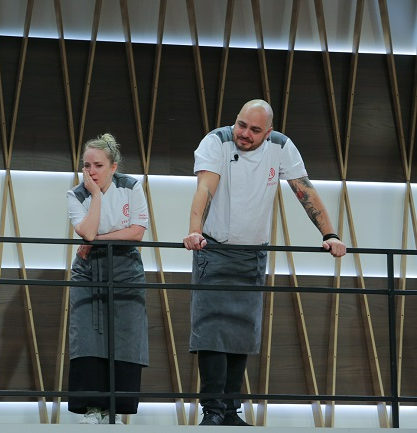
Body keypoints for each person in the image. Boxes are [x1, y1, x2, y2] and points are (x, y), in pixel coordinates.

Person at [182, 99, 347, 426]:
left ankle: (231, 410)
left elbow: (305, 190)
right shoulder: (217, 141)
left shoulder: (281, 146)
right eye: (241, 125)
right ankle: (211, 412)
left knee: (242, 333)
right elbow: (205, 188)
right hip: (214, 250)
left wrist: (330, 233)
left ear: (268, 131)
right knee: (211, 332)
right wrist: (194, 230)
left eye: (254, 130)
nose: (244, 133)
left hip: (252, 254)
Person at [66, 133, 149, 425]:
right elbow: (85, 232)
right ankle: (92, 408)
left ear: (113, 167)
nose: (91, 172)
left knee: (125, 336)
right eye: (86, 165)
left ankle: (116, 407)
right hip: (89, 270)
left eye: (98, 165)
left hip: (126, 269)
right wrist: (97, 196)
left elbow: (137, 231)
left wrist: (100, 238)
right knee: (87, 337)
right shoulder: (76, 194)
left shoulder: (131, 186)